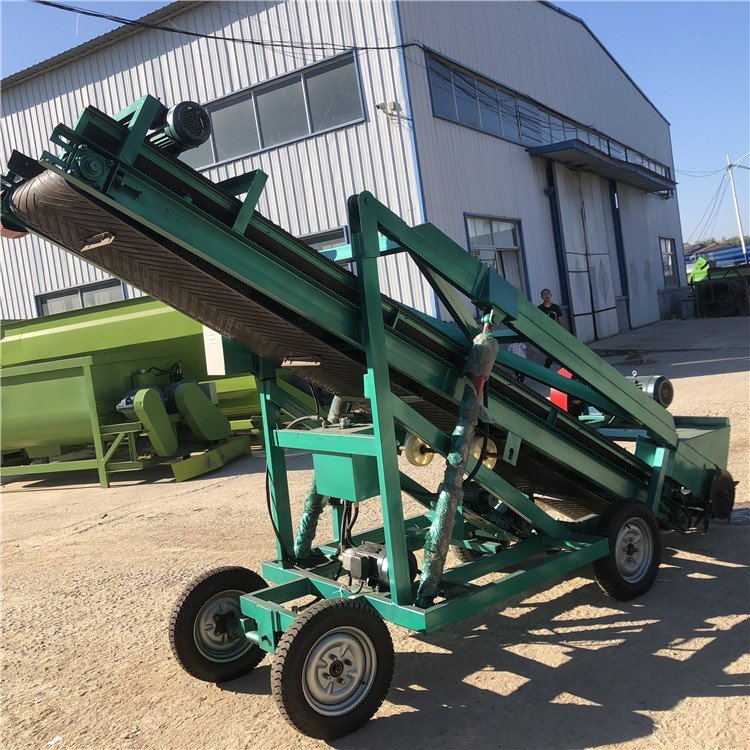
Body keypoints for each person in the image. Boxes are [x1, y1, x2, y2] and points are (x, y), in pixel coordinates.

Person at [538, 288, 566, 368]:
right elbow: (538, 321)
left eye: (548, 293)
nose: (546, 295)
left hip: (555, 333)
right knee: (552, 353)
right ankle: (547, 370)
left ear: (551, 295)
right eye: (544, 294)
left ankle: (548, 369)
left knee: (557, 353)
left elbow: (560, 320)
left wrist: (563, 333)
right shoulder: (539, 308)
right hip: (546, 334)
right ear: (541, 297)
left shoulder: (556, 307)